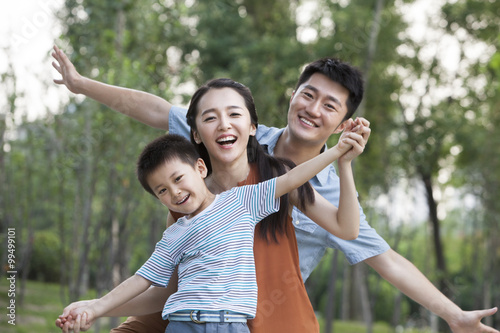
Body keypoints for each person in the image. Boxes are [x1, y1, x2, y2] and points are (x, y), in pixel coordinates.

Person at [52, 45, 498, 333]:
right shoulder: (238, 135)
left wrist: (452, 314)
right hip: (189, 296)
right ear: (292, 95)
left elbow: (387, 260)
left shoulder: (317, 188)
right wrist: (80, 84)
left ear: (342, 122)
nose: (312, 108)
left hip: (262, 312)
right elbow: (158, 109)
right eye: (308, 94)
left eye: (329, 105)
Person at [56, 76, 370, 333]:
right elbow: (168, 286)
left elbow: (347, 227)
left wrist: (343, 161)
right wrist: (95, 307)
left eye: (234, 114)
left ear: (252, 127)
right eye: (210, 117)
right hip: (194, 320)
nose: (223, 125)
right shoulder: (185, 205)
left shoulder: (270, 182)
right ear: (195, 133)